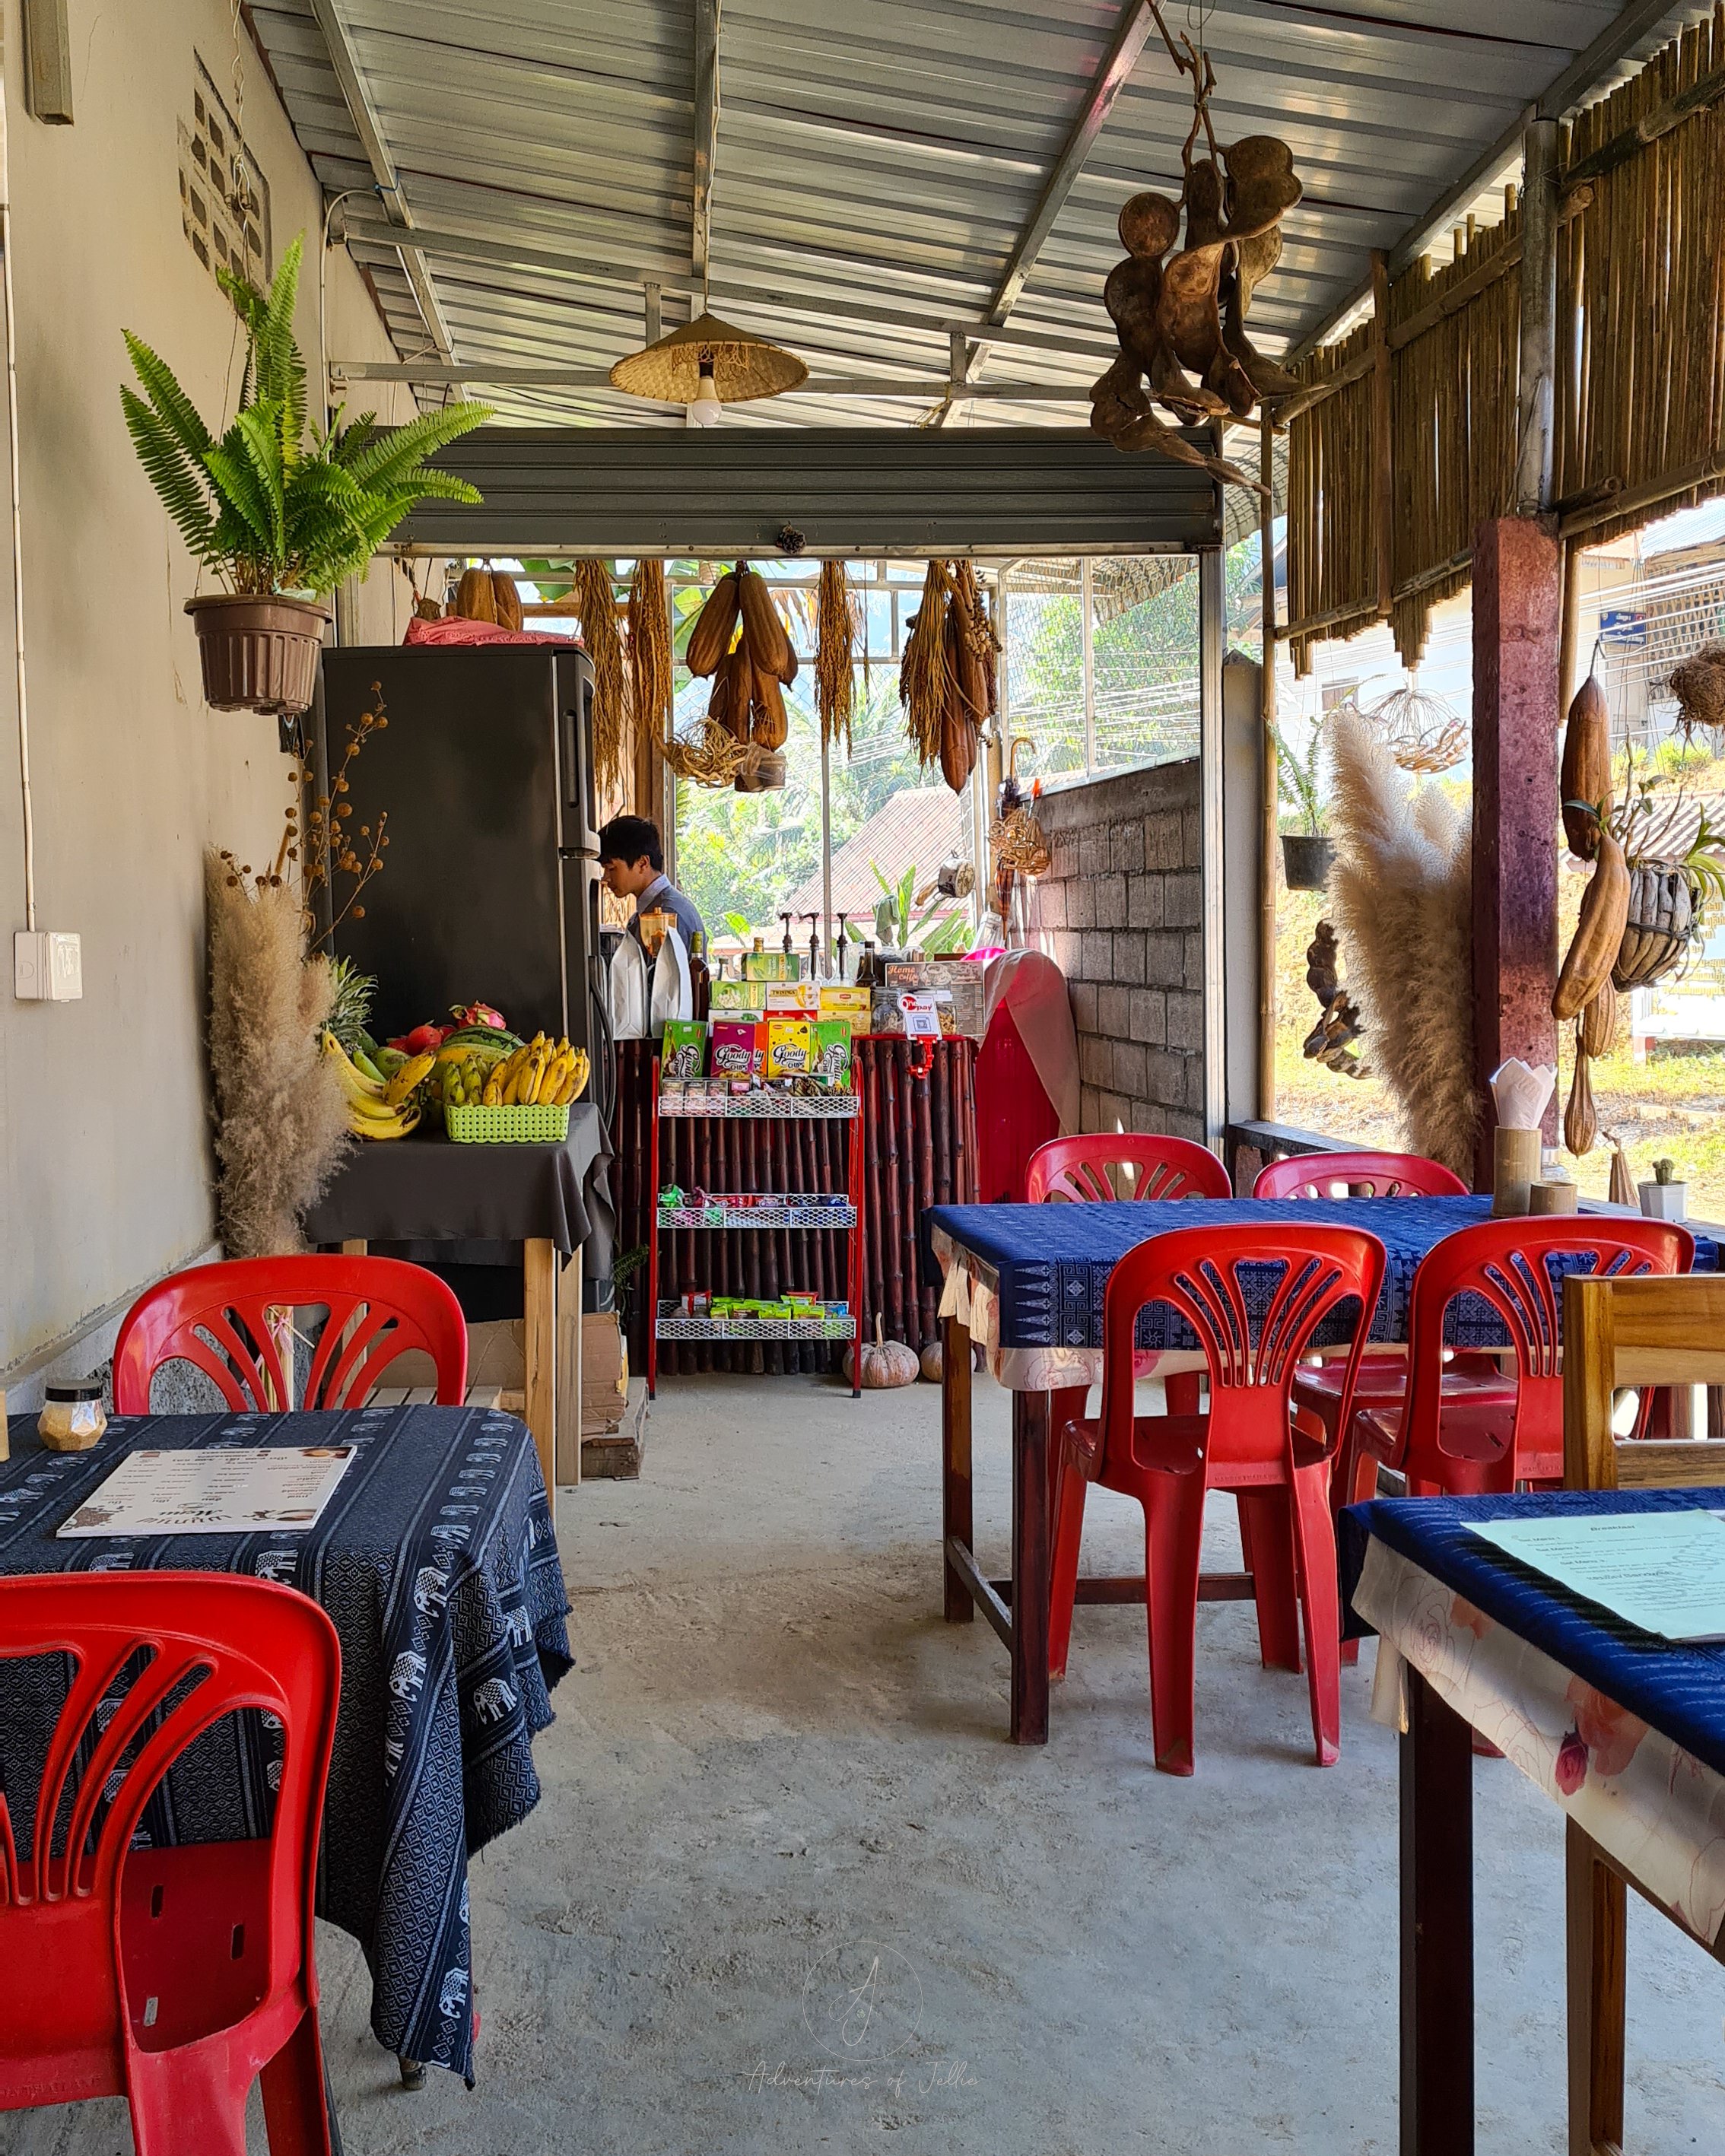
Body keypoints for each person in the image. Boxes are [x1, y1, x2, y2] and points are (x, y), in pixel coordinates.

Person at [597, 814, 706, 953]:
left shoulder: (667, 915)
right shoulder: (651, 909)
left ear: (643, 863)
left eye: (611, 868)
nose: (606, 878)